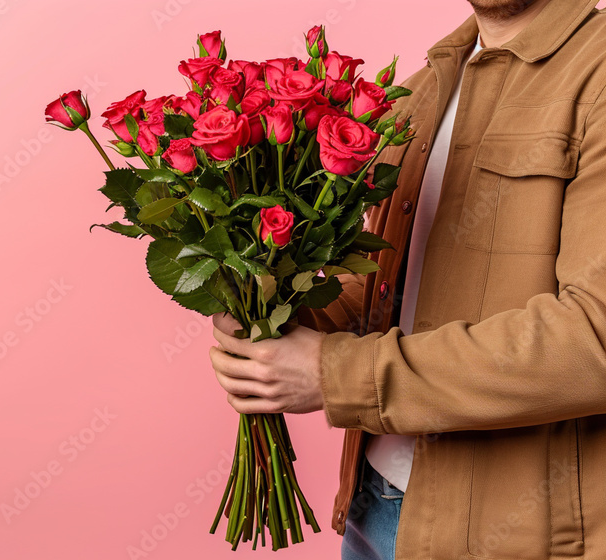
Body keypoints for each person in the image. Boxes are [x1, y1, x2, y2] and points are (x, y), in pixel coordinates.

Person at [208, 0, 606, 558]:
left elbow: (593, 342)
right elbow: (398, 284)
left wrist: (335, 375)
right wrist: (276, 313)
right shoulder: (425, 85)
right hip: (375, 507)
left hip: (505, 537)